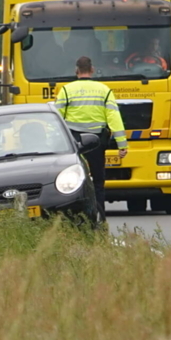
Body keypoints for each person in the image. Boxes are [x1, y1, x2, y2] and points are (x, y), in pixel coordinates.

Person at [54, 56, 128, 224]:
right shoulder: (104, 90)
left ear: (76, 70)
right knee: (98, 181)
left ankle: (74, 217)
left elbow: (57, 118)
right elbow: (114, 118)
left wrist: (54, 143)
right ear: (92, 70)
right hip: (96, 142)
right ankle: (99, 218)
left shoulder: (66, 90)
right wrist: (122, 145)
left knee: (72, 179)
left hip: (74, 142)